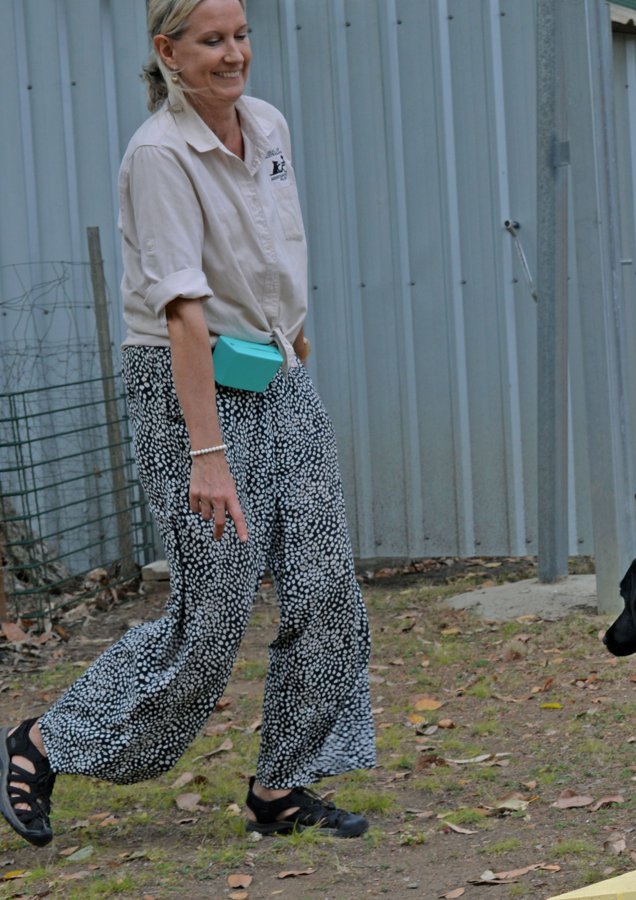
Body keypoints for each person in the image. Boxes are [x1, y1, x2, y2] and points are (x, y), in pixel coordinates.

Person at [4, 0, 373, 848]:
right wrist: (208, 456)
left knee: (326, 589)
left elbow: (272, 245)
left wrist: (293, 328)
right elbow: (180, 315)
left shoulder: (268, 124)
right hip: (188, 386)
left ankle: (282, 786)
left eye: (241, 35)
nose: (234, 53)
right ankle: (41, 743)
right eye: (213, 40)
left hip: (273, 367)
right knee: (215, 607)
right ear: (169, 52)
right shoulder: (159, 156)